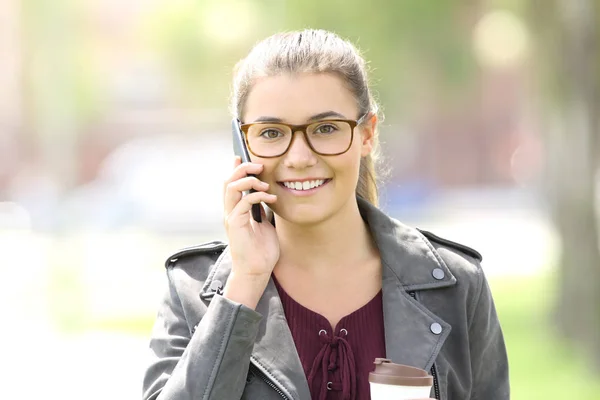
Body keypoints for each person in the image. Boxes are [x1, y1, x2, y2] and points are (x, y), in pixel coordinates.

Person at [142, 29, 509, 400]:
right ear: (243, 144)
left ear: (367, 134)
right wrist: (245, 284)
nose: (299, 158)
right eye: (271, 132)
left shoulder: (454, 286)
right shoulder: (193, 290)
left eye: (326, 128)